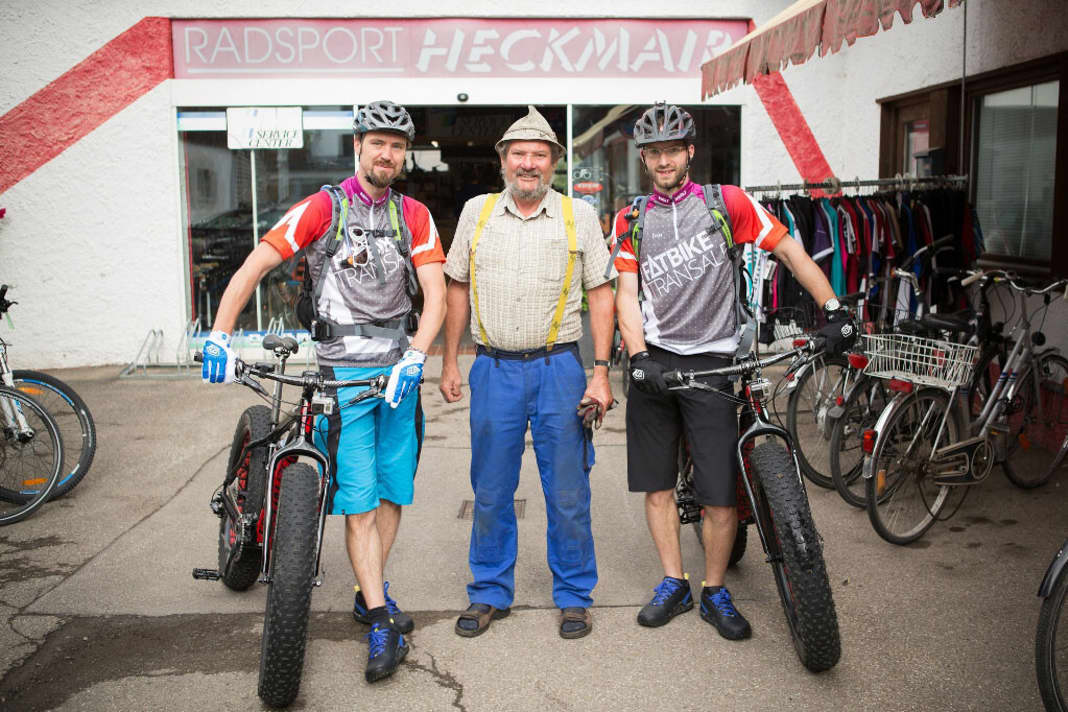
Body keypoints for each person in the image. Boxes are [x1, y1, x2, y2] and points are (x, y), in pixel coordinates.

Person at [200, 100, 446, 682]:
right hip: (343, 375)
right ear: (357, 145)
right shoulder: (323, 208)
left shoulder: (413, 214)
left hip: (398, 377)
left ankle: (369, 590)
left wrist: (417, 357)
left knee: (392, 491)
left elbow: (434, 294)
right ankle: (381, 617)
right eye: (376, 142)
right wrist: (219, 336)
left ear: (404, 155)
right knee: (358, 498)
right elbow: (252, 267)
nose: (386, 153)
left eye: (397, 145)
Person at [612, 102, 856, 640]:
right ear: (645, 158)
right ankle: (673, 580)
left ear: (689, 152)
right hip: (657, 364)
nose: (664, 159)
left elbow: (790, 250)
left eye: (672, 149)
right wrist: (637, 357)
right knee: (657, 487)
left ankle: (714, 589)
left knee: (719, 494)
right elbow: (627, 294)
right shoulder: (630, 219)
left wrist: (834, 309)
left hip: (718, 360)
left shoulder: (728, 203)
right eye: (654, 152)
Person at [440, 106, 616, 640]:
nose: (529, 164)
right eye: (519, 154)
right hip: (493, 368)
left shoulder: (578, 216)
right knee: (491, 490)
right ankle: (490, 592)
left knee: (567, 491)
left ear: (554, 163)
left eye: (540, 155)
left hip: (560, 368)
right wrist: (450, 359)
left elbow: (601, 294)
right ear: (503, 160)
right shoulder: (477, 211)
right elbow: (457, 288)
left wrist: (601, 372)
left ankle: (574, 596)